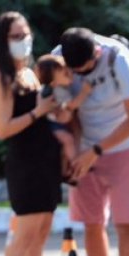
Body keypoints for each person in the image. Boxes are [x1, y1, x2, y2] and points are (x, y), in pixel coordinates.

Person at [57, 27, 129, 256]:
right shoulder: (58, 60)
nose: (82, 74)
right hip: (85, 151)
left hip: (126, 145)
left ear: (97, 53)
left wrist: (96, 149)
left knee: (125, 224)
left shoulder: (117, 58)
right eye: (77, 71)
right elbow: (62, 114)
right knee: (92, 224)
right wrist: (74, 152)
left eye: (87, 69)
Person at [0, 11, 61, 256]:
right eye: (16, 36)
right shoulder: (1, 79)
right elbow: (2, 128)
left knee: (41, 232)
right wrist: (39, 111)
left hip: (47, 161)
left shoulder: (31, 74)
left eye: (26, 33)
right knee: (24, 234)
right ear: (3, 42)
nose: (24, 40)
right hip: (25, 164)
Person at [34, 53, 91, 185]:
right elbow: (71, 106)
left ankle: (69, 171)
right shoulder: (49, 91)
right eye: (65, 73)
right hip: (54, 126)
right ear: (53, 80)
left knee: (67, 148)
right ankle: (75, 164)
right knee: (68, 140)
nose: (70, 74)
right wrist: (85, 91)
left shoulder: (62, 89)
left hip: (62, 124)